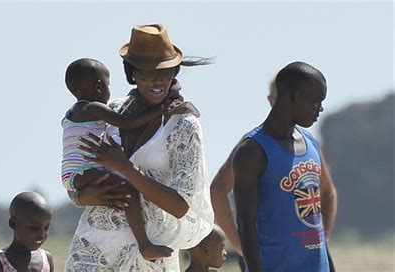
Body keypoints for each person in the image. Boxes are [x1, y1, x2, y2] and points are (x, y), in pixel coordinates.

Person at [65, 24, 214, 271]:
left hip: (148, 255)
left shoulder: (183, 124)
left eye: (165, 72)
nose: (157, 80)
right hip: (93, 249)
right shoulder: (110, 111)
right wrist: (80, 197)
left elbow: (180, 206)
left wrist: (125, 168)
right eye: (147, 72)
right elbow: (75, 165)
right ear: (133, 74)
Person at [61, 58, 191, 260]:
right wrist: (161, 110)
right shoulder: (95, 108)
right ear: (99, 86)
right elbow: (127, 123)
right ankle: (145, 245)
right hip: (85, 170)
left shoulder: (72, 113)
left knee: (116, 192)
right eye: (108, 83)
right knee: (128, 190)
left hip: (72, 176)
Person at [210, 76, 338, 271]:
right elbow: (243, 219)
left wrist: (322, 245)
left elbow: (326, 195)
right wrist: (242, 250)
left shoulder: (311, 142)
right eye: (316, 101)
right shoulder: (253, 149)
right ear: (293, 96)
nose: (320, 108)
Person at [0, 191, 54, 272]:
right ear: (13, 223)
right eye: (34, 227)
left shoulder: (46, 260)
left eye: (46, 228)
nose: (42, 234)